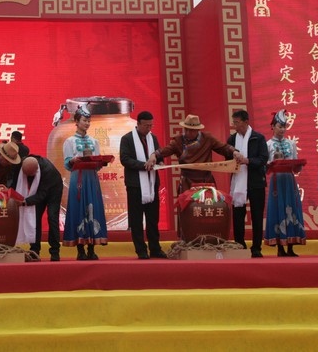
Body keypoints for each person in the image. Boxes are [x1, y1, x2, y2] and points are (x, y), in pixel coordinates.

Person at [62, 105, 108, 260]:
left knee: (93, 207)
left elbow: (98, 163)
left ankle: (92, 248)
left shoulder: (94, 141)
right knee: (78, 208)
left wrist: (101, 162)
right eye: (84, 120)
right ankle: (80, 249)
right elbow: (67, 163)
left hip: (92, 178)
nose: (87, 123)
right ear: (76, 121)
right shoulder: (69, 141)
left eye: (89, 121)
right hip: (78, 178)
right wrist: (73, 160)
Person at [119, 110, 165, 259]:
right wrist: (143, 165)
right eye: (146, 125)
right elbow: (125, 159)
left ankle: (155, 248)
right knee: (136, 220)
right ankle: (141, 250)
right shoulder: (127, 139)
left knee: (153, 219)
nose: (149, 128)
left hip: (152, 184)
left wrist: (160, 162)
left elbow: (158, 155)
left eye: (151, 125)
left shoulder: (153, 138)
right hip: (135, 185)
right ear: (138, 124)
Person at [153, 114, 237, 191]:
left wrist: (235, 152)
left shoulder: (207, 138)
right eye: (186, 130)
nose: (188, 133)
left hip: (206, 180)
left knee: (207, 202)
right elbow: (164, 151)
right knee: (187, 202)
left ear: (198, 130)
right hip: (187, 181)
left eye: (192, 130)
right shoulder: (178, 140)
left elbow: (223, 147)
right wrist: (153, 155)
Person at [226, 110, 268, 257]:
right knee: (238, 216)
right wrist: (233, 159)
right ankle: (239, 244)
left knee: (257, 216)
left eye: (237, 122)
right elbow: (227, 158)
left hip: (256, 182)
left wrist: (248, 161)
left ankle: (256, 247)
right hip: (238, 182)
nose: (234, 125)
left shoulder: (258, 138)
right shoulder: (232, 140)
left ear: (246, 122)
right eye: (234, 122)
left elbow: (263, 159)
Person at [264, 110, 306, 257]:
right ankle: (280, 248)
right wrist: (272, 162)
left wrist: (298, 165)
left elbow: (295, 165)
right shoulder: (268, 144)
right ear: (273, 127)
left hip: (289, 180)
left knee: (292, 208)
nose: (282, 129)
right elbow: (265, 166)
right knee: (278, 208)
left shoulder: (291, 143)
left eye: (284, 126)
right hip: (277, 180)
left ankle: (291, 247)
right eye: (279, 126)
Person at [15, 155, 63, 261]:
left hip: (53, 190)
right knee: (34, 218)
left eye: (31, 175)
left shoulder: (48, 171)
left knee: (52, 217)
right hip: (38, 190)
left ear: (36, 170)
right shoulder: (23, 165)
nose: (28, 177)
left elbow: (42, 195)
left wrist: (24, 202)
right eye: (26, 175)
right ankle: (34, 250)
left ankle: (55, 251)